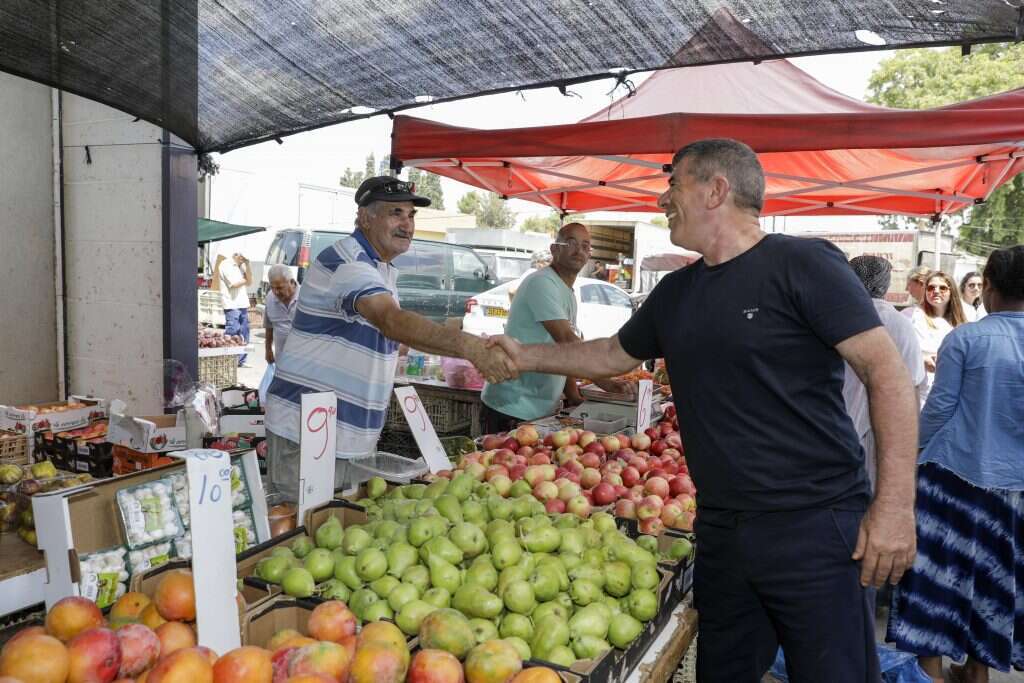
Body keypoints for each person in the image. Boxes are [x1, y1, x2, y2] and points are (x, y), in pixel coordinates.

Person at [490, 139, 919, 683]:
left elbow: (887, 375)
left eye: (674, 184)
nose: (662, 199)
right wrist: (524, 354)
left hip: (813, 524)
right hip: (721, 529)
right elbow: (609, 355)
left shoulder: (802, 263)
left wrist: (895, 506)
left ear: (717, 190)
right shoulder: (676, 292)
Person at [264, 176, 516, 501]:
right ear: (365, 217)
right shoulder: (349, 262)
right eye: (395, 213)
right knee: (301, 526)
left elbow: (386, 335)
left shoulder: (379, 268)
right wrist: (470, 347)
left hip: (343, 436)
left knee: (337, 526)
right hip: (308, 432)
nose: (407, 224)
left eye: (411, 215)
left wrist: (452, 335)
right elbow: (391, 321)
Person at [887, 245, 1024, 683]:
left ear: (989, 287)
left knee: (937, 578)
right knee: (992, 579)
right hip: (1014, 491)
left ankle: (930, 671)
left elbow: (940, 409)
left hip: (951, 481)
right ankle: (976, 671)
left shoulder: (966, 339)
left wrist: (909, 457)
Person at [480, 223, 629, 433]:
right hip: (511, 406)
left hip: (538, 410)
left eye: (585, 246)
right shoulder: (542, 283)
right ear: (554, 249)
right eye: (571, 243)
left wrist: (574, 396)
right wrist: (604, 381)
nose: (579, 251)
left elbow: (566, 353)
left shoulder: (567, 291)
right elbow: (566, 339)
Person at [843, 255, 927, 489]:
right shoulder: (900, 324)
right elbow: (915, 381)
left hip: (837, 423)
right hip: (885, 426)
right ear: (886, 283)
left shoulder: (836, 317)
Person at [910, 271, 966, 404]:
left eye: (942, 288)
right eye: (931, 288)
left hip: (952, 394)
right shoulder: (912, 315)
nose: (936, 291)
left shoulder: (963, 322)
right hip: (922, 393)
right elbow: (899, 349)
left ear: (952, 291)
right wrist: (922, 359)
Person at [219, 252, 253, 366]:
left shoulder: (242, 265)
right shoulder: (225, 264)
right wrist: (246, 279)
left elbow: (250, 282)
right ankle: (227, 360)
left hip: (242, 303)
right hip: (231, 303)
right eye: (243, 258)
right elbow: (234, 284)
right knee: (232, 330)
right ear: (237, 255)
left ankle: (241, 361)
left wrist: (247, 265)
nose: (244, 260)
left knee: (245, 331)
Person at [263, 264, 299, 365]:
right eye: (272, 288)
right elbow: (269, 326)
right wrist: (268, 349)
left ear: (292, 282)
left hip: (304, 360)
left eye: (279, 288)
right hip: (281, 360)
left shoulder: (305, 297)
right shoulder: (270, 298)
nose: (276, 292)